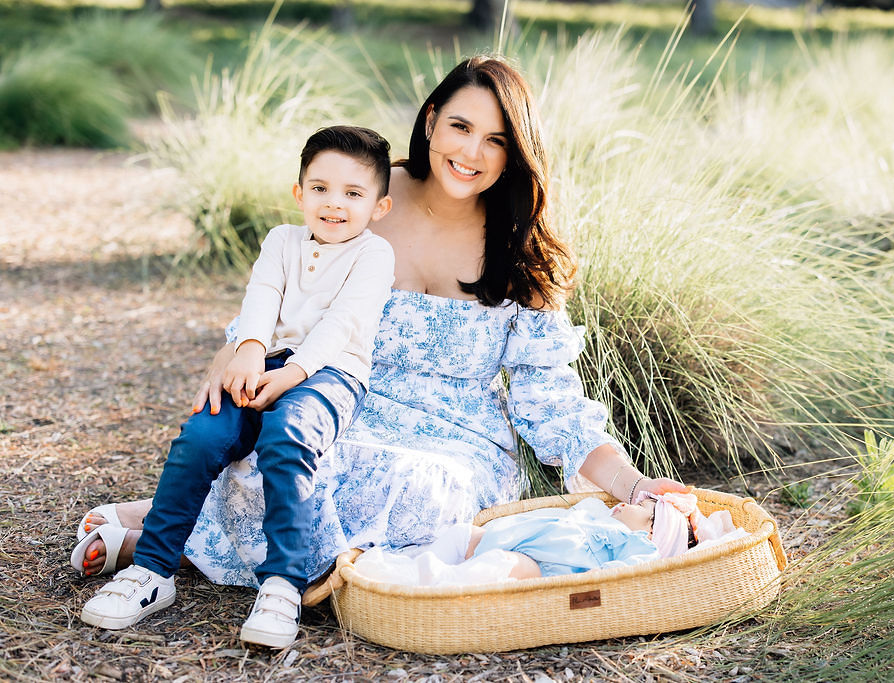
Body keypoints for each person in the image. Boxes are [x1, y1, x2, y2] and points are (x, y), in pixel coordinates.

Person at [73, 56, 691, 641]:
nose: (471, 153)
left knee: (420, 490)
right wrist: (235, 348)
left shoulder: (519, 248)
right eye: (460, 127)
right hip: (333, 402)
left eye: (496, 140)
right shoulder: (363, 198)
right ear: (430, 122)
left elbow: (550, 400)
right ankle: (202, 544)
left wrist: (632, 483)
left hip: (454, 439)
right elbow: (287, 296)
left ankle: (177, 534)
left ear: (515, 153)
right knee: (279, 456)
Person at [73, 125, 396, 649]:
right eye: (320, 188)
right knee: (201, 436)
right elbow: (263, 294)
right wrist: (248, 348)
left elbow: (345, 323)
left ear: (379, 207)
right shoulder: (281, 240)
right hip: (261, 358)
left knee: (288, 437)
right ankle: (152, 571)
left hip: (329, 372)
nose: (334, 204)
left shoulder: (374, 254)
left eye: (353, 194)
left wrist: (292, 374)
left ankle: (282, 584)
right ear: (299, 193)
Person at [352, 491, 747, 587]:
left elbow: (627, 574)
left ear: (649, 530)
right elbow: (587, 498)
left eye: (637, 507)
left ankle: (431, 580)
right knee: (462, 535)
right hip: (502, 536)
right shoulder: (596, 512)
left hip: (538, 564)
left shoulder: (638, 548)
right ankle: (408, 564)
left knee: (500, 567)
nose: (622, 505)